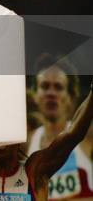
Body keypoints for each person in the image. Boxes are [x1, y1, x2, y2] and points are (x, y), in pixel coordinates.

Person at [28, 55, 93, 199]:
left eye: (58, 87)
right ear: (34, 94)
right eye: (45, 86)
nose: (51, 93)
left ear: (71, 96)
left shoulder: (89, 137)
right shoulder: (26, 143)